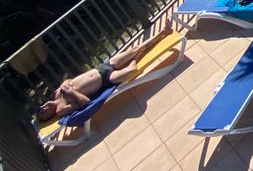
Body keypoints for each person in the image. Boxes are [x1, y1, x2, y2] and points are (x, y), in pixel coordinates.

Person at [36, 24, 174, 122]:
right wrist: (71, 92)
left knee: (134, 49)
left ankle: (163, 31)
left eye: (40, 107)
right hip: (106, 79)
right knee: (132, 70)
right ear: (48, 116)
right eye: (43, 112)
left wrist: (66, 84)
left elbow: (70, 80)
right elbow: (85, 103)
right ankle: (136, 58)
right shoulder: (61, 110)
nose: (43, 107)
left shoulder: (57, 93)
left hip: (101, 68)